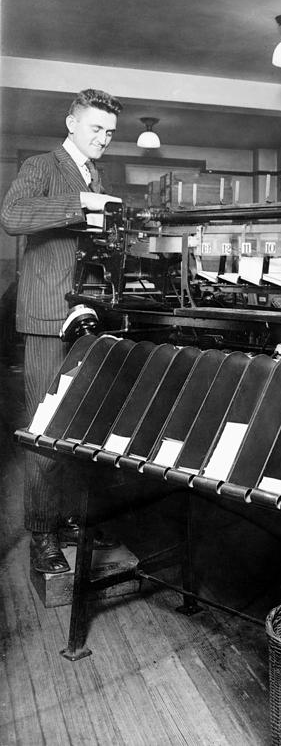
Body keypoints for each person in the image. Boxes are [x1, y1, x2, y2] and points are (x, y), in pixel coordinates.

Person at [1, 88, 123, 574]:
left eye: (110, 132)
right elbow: (12, 217)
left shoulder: (96, 172)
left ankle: (66, 517)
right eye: (95, 128)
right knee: (43, 430)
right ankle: (42, 535)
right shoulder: (42, 166)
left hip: (85, 318)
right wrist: (82, 203)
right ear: (71, 123)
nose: (103, 139)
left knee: (77, 424)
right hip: (49, 318)